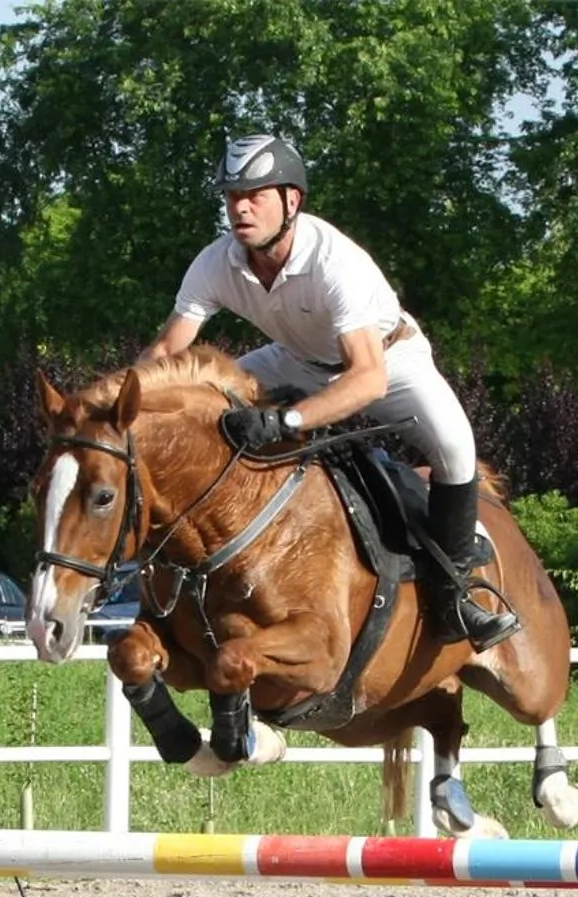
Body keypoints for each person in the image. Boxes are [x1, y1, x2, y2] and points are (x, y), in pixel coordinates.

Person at [136, 133, 519, 652]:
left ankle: (458, 594)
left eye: (255, 195)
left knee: (456, 448)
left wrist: (288, 422)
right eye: (231, 197)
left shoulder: (335, 260)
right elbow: (167, 353)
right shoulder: (216, 261)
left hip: (389, 359)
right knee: (206, 399)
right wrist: (112, 409)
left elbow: (367, 378)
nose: (239, 208)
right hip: (292, 358)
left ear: (292, 200)